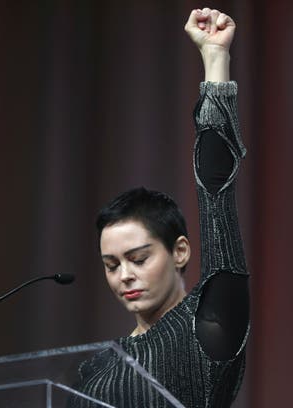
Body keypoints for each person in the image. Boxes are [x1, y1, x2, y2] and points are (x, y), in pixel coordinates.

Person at [73, 8, 250, 408]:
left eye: (138, 258)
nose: (125, 276)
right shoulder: (94, 368)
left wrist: (215, 59)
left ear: (180, 251)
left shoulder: (210, 328)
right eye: (112, 264)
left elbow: (216, 192)